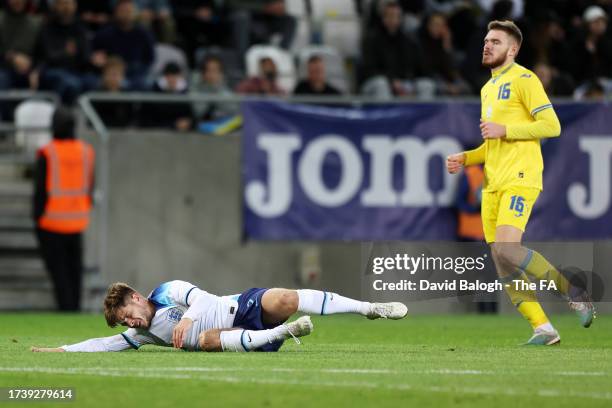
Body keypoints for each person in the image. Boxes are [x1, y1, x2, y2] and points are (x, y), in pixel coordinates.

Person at [446, 20, 595, 345]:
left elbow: (552, 125)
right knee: (501, 258)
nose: (487, 45)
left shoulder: (525, 80)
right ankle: (543, 327)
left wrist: (507, 130)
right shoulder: (488, 88)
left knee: (508, 249)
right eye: (486, 40)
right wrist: (467, 157)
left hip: (521, 176)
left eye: (496, 41)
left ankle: (572, 289)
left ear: (512, 49)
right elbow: (494, 143)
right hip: (493, 183)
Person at [30, 280, 408, 352]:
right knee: (205, 343)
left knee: (288, 297)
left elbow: (204, 298)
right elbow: (104, 343)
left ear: (136, 297)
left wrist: (188, 319)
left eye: (126, 315)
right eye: (124, 322)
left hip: (240, 306)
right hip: (231, 340)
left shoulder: (168, 291)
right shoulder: (144, 336)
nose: (129, 324)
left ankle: (370, 308)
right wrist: (61, 350)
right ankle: (284, 334)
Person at [33, 107, 95, 311]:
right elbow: (90, 185)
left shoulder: (48, 152)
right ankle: (74, 309)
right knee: (74, 271)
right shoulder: (86, 151)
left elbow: (40, 189)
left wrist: (37, 217)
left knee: (59, 272)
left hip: (51, 222)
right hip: (77, 221)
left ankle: (65, 308)